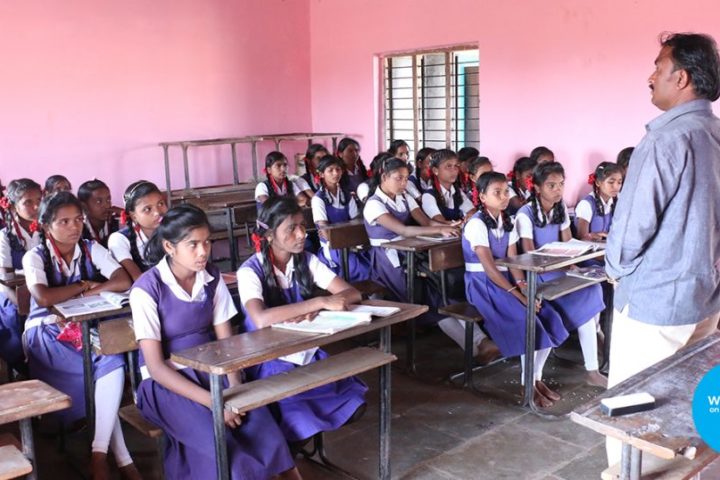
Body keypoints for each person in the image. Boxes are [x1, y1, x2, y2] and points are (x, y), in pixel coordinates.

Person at [605, 32, 720, 466]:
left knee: (632, 411)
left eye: (658, 66)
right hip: (705, 297)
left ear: (682, 77)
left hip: (655, 302)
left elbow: (632, 229)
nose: (650, 76)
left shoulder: (664, 141)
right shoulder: (714, 133)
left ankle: (628, 474)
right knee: (681, 401)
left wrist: (617, 271)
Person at [130, 204, 300, 479]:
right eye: (192, 244)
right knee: (223, 445)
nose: (203, 252)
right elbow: (156, 367)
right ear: (169, 247)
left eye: (207, 242)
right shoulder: (147, 289)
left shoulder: (212, 277)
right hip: (165, 386)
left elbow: (227, 344)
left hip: (213, 371)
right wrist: (215, 403)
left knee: (264, 429)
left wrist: (235, 389)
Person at [22, 191, 139, 479]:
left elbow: (121, 279)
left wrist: (92, 289)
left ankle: (100, 455)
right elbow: (43, 297)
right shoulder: (34, 257)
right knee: (98, 369)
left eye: (78, 219)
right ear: (46, 225)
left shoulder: (88, 247)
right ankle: (121, 460)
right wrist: (83, 286)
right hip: (46, 333)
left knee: (111, 361)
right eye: (64, 222)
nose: (74, 227)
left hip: (84, 326)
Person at [237, 197, 368, 447]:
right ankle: (287, 457)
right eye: (291, 228)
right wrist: (317, 303)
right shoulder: (249, 271)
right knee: (297, 411)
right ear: (268, 236)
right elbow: (261, 318)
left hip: (301, 349)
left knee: (350, 399)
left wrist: (326, 303)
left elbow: (352, 293)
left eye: (301, 226)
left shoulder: (307, 260)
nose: (301, 234)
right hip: (267, 358)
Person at [464, 172, 569, 406]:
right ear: (482, 196)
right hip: (483, 286)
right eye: (496, 192)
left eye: (505, 192)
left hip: (506, 283)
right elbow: (490, 269)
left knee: (549, 316)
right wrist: (519, 296)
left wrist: (524, 287)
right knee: (526, 320)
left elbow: (513, 261)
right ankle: (526, 385)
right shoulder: (476, 224)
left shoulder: (507, 221)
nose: (503, 197)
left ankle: (536, 379)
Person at [515, 162, 607, 387]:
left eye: (561, 184)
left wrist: (583, 252)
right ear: (536, 187)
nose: (558, 190)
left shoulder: (560, 208)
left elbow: (568, 241)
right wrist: (561, 263)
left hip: (558, 269)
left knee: (591, 287)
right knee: (583, 297)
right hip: (538, 274)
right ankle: (592, 360)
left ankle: (592, 368)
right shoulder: (525, 214)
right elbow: (529, 254)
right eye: (551, 185)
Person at [0, 179, 42, 371]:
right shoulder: (4, 236)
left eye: (39, 200)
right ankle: (22, 368)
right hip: (12, 295)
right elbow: (5, 278)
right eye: (27, 202)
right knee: (15, 325)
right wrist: (21, 302)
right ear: (13, 206)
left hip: (42, 290)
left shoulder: (46, 231)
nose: (36, 207)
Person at [311, 155, 371, 282]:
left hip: (352, 244)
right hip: (332, 249)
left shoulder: (346, 195)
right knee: (364, 269)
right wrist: (343, 234)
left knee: (375, 263)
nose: (335, 173)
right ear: (321, 174)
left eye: (338, 169)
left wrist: (343, 234)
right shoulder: (318, 199)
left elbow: (356, 223)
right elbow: (327, 234)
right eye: (330, 170)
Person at [107, 181, 167, 281]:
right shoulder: (119, 239)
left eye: (161, 203)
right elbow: (138, 279)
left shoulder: (175, 232)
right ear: (133, 216)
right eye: (148, 209)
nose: (157, 212)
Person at [420, 149, 475, 224]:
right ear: (435, 170)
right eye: (449, 166)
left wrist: (470, 215)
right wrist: (461, 223)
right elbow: (440, 221)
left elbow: (472, 210)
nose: (454, 170)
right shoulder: (428, 196)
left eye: (456, 166)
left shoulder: (457, 191)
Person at [574, 162, 623, 241]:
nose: (616, 187)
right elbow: (582, 237)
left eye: (619, 182)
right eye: (611, 182)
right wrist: (595, 236)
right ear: (598, 182)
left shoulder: (618, 200)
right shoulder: (586, 204)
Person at [78, 179, 121, 248]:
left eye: (108, 200)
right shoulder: (79, 228)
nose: (107, 206)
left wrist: (127, 216)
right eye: (99, 202)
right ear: (84, 206)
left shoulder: (118, 222)